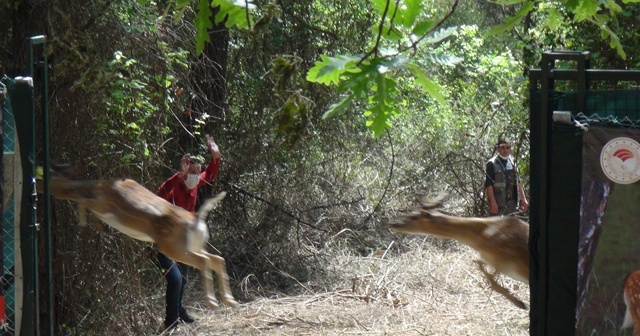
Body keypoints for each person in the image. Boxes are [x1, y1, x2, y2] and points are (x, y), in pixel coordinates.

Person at [156, 134, 221, 330]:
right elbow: (160, 195)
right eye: (192, 173)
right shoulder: (176, 182)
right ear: (186, 170)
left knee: (183, 278)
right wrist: (179, 175)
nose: (195, 177)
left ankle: (179, 310)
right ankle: (171, 322)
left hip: (184, 240)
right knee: (174, 279)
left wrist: (216, 156)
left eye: (197, 173)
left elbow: (209, 175)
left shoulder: (195, 182)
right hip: (165, 241)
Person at [484, 138, 529, 216]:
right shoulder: (492, 163)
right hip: (498, 204)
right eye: (503, 148)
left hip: (512, 204)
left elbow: (518, 182)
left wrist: (524, 199)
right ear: (498, 149)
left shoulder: (512, 162)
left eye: (507, 147)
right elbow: (489, 185)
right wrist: (492, 202)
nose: (505, 150)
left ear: (510, 149)